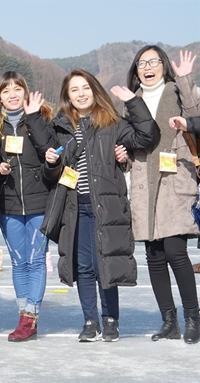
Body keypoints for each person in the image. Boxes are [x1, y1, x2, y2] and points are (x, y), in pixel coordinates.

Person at [30, 69, 160, 342]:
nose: (81, 94)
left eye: (85, 87)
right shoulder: (61, 126)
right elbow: (48, 173)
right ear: (67, 96)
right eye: (74, 90)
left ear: (95, 90)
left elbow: (148, 137)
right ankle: (90, 320)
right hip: (75, 208)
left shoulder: (112, 122)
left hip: (106, 207)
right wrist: (51, 163)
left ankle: (110, 319)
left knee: (105, 267)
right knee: (83, 267)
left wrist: (134, 103)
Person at [125, 47, 200, 344]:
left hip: (174, 181)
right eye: (142, 63)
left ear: (163, 66)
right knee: (154, 256)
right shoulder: (133, 100)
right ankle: (169, 321)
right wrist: (123, 153)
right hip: (144, 184)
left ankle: (193, 318)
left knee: (175, 252)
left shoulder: (177, 91)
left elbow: (196, 116)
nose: (148, 67)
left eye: (154, 61)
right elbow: (129, 138)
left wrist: (185, 79)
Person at [0, 71, 53, 341]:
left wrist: (33, 117)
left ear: (25, 93)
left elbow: (49, 151)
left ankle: (30, 317)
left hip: (40, 202)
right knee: (19, 262)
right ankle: (24, 316)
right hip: (10, 204)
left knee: (36, 259)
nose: (12, 95)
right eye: (6, 91)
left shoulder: (40, 120)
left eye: (17, 89)